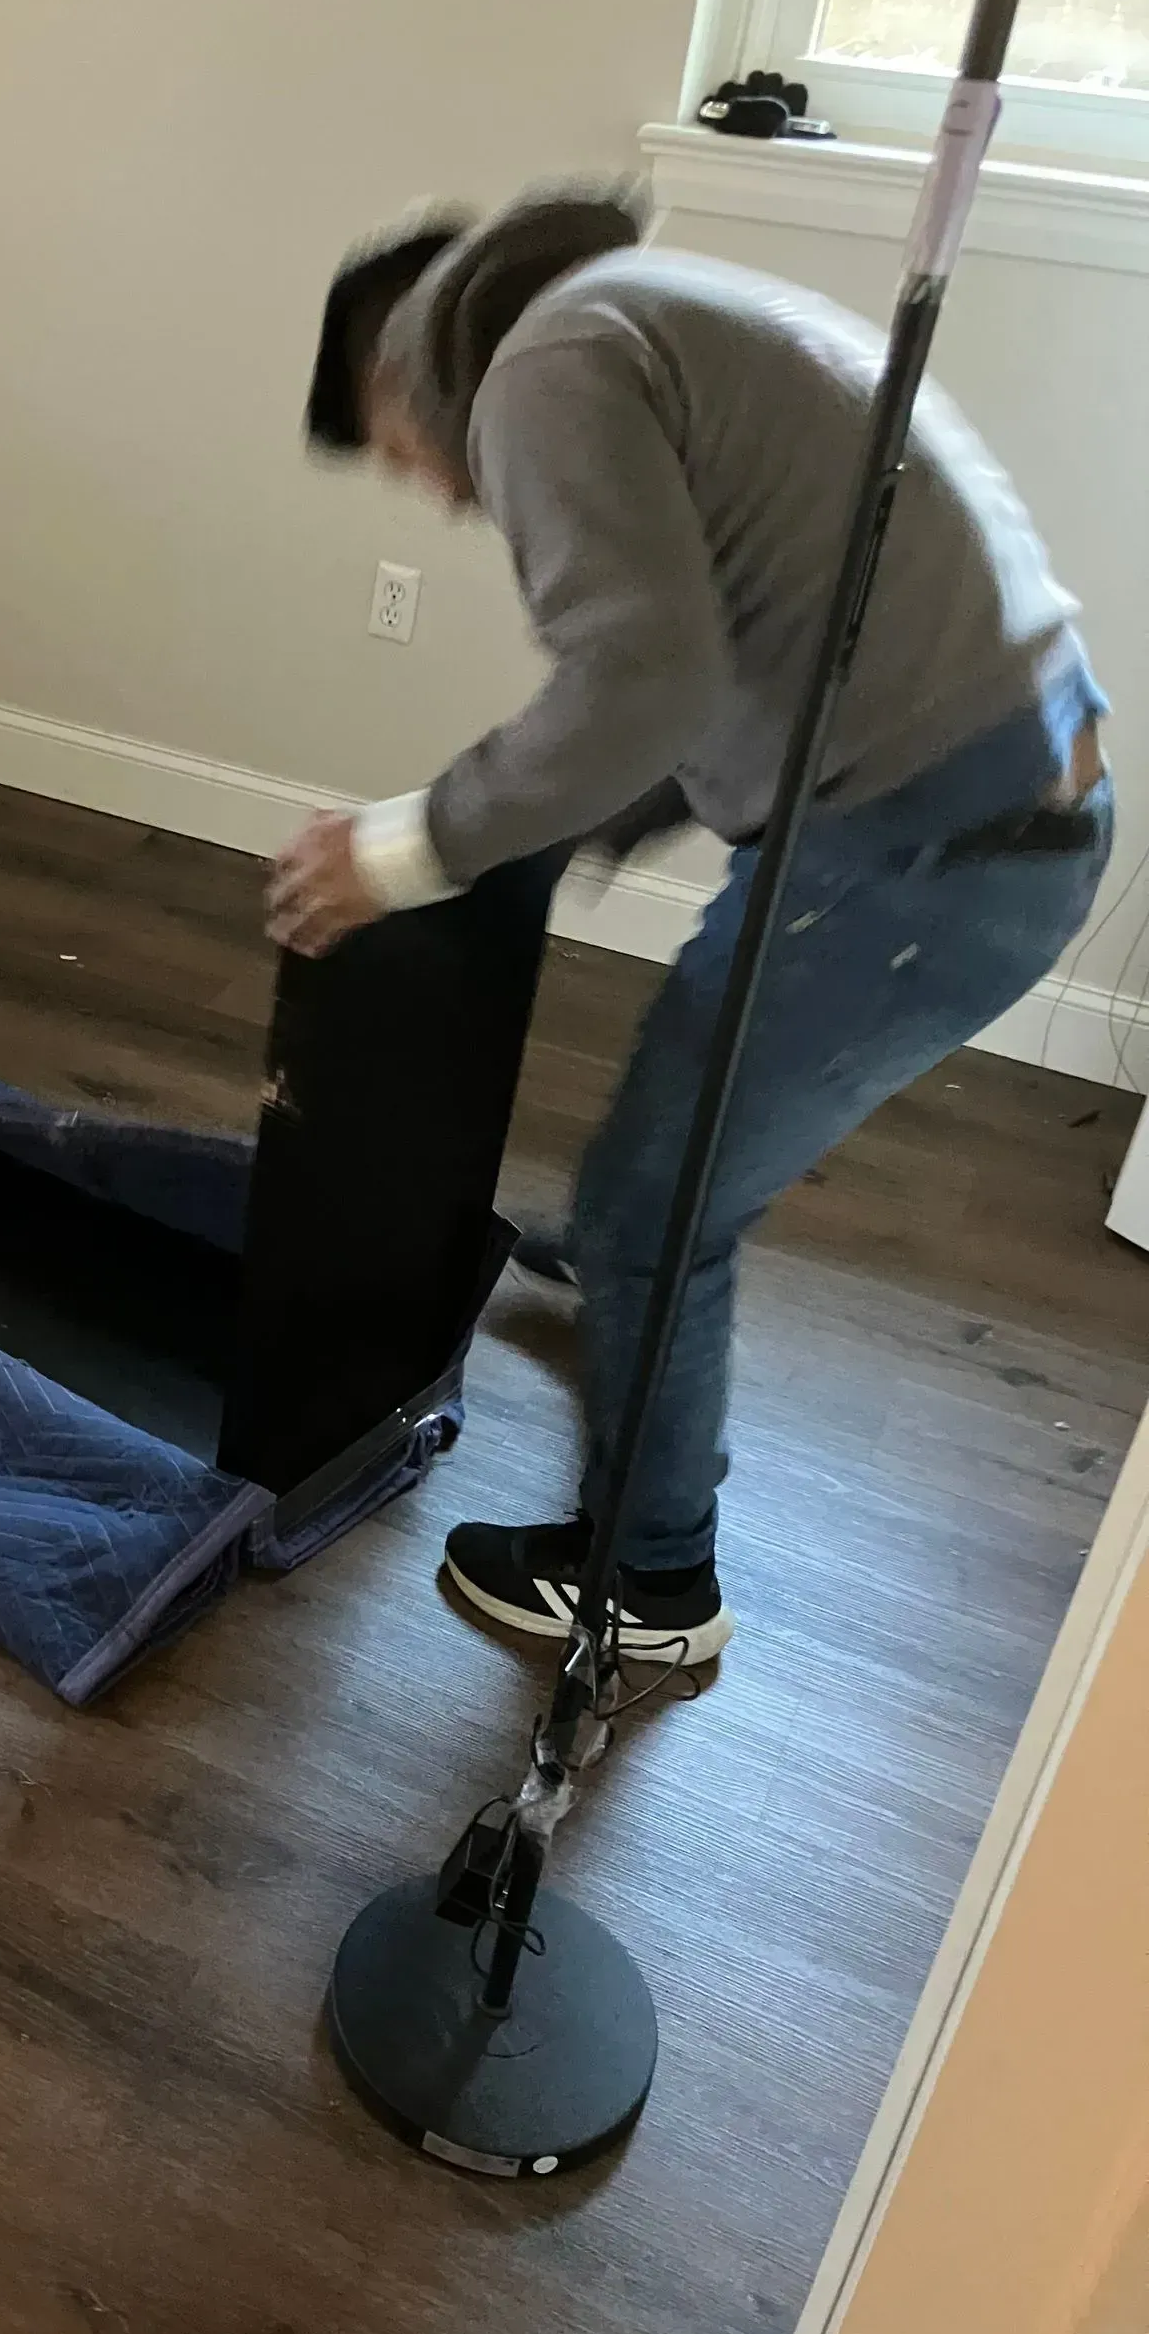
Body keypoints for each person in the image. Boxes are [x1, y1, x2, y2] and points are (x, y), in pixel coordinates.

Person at [272, 186, 1112, 1666]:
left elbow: (641, 685)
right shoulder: (650, 315)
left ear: (401, 368)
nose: (433, 492)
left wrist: (403, 852)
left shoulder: (539, 372)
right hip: (959, 795)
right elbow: (721, 665)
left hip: (928, 851)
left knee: (658, 1206)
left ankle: (647, 1581)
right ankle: (622, 1256)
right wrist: (524, 844)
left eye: (397, 452)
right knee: (649, 1175)